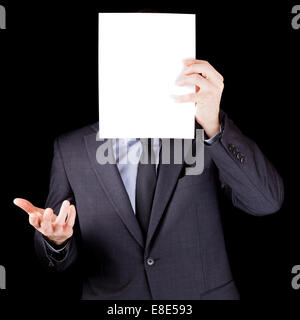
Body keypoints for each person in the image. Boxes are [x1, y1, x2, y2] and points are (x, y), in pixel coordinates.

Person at [14, 59, 284, 300]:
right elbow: (56, 259)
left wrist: (214, 125)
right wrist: (56, 241)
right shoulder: (70, 149)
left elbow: (266, 201)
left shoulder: (203, 136)